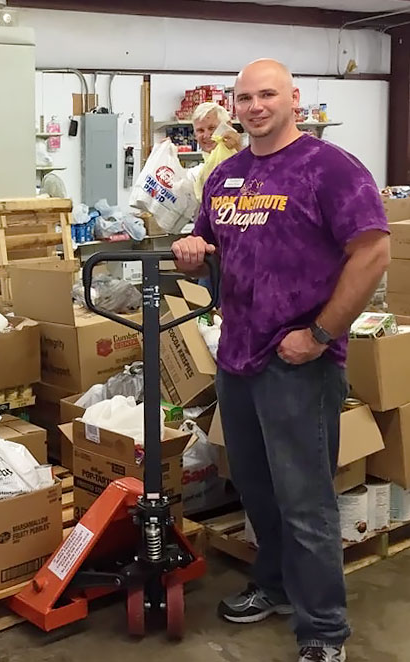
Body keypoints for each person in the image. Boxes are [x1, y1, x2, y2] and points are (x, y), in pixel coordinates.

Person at [172, 58, 389, 662]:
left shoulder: (330, 168)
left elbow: (372, 254)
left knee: (305, 501)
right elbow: (211, 245)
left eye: (267, 95)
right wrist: (194, 247)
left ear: (294, 98)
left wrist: (319, 334)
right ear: (233, 107)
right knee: (257, 490)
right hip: (238, 358)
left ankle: (323, 630)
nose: (256, 106)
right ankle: (273, 586)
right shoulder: (226, 176)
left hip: (299, 362)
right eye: (245, 98)